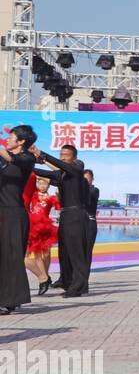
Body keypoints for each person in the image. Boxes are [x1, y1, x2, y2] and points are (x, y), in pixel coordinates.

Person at [32, 143, 93, 298]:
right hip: (65, 216)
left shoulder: (77, 171)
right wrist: (24, 165)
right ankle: (68, 282)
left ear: (74, 158)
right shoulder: (62, 176)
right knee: (64, 252)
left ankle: (78, 287)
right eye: (61, 155)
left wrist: (43, 154)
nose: (63, 157)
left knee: (76, 252)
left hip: (77, 215)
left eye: (66, 155)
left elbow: (60, 166)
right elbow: (41, 172)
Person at [0, 125, 38, 313]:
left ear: (21, 141)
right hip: (2, 212)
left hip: (14, 214)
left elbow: (13, 158)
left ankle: (10, 300)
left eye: (11, 136)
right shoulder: (3, 157)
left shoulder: (27, 159)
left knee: (12, 257)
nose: (8, 139)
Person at [24, 174, 59, 294]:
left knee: (47, 254)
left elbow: (59, 207)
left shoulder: (51, 198)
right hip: (34, 227)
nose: (42, 186)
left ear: (48, 186)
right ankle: (43, 278)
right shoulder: (33, 194)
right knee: (37, 254)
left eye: (45, 184)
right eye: (40, 183)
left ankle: (46, 276)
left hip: (46, 227)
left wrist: (59, 194)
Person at [83, 169, 100, 272]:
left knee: (87, 250)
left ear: (92, 179)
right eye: (83, 179)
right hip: (78, 223)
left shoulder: (94, 190)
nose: (85, 181)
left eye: (87, 179)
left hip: (90, 222)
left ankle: (85, 273)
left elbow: (89, 197)